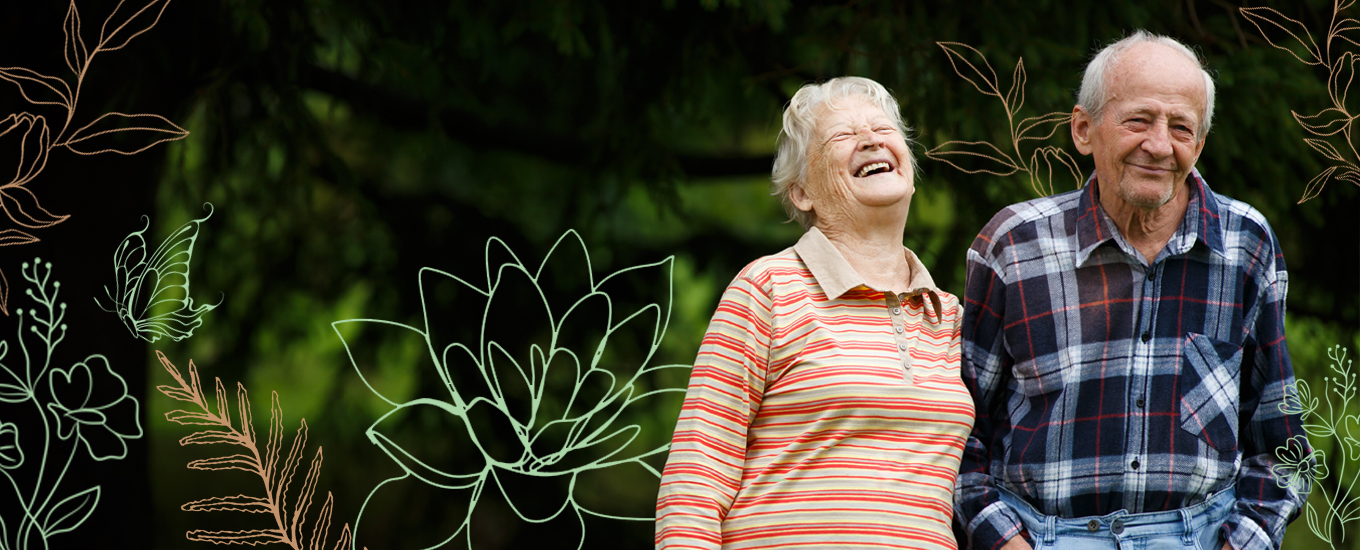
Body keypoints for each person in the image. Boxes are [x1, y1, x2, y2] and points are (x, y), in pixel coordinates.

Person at [955, 30, 1310, 550]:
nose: (1160, 145)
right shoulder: (1014, 246)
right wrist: (1004, 541)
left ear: (1200, 144)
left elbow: (1283, 450)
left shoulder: (1245, 245)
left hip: (1201, 536)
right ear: (1083, 130)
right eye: (1138, 120)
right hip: (1041, 535)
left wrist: (1243, 543)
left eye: (1181, 127)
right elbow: (959, 435)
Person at [654, 76, 975, 550]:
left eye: (884, 129)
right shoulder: (768, 289)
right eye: (843, 136)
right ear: (803, 192)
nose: (870, 139)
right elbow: (695, 479)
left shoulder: (947, 316)